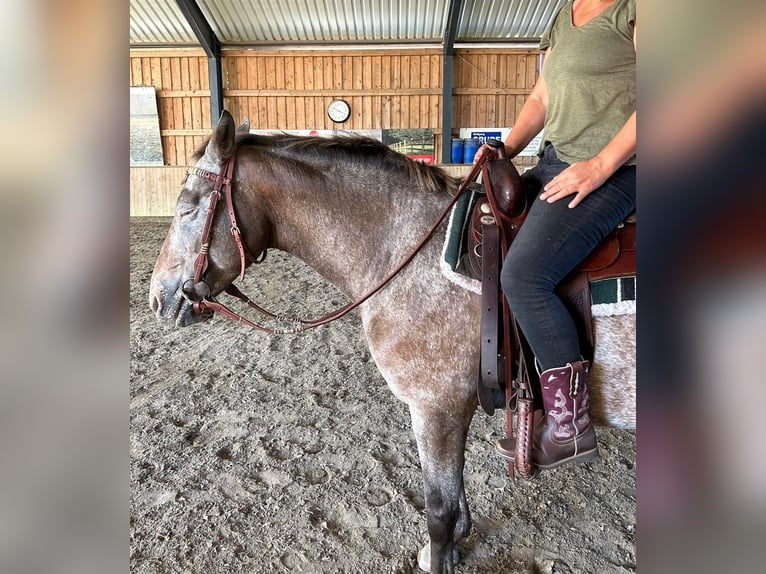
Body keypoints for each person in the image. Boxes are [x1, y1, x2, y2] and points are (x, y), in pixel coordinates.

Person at [476, 0, 636, 470]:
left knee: (524, 275)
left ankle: (571, 427)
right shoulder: (562, 16)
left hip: (619, 169)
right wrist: (505, 147)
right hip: (554, 161)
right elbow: (541, 99)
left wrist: (599, 166)